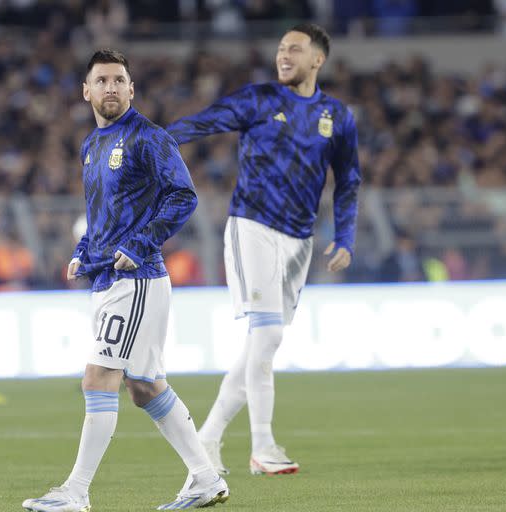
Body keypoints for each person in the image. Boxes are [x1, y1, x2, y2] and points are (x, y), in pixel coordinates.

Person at [22, 49, 229, 512]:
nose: (110, 88)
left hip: (137, 280)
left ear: (131, 89)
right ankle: (204, 477)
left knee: (98, 379)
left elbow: (183, 196)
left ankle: (76, 491)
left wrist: (138, 245)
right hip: (108, 280)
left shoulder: (148, 138)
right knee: (145, 386)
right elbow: (101, 216)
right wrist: (83, 251)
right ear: (86, 90)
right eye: (102, 80)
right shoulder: (91, 145)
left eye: (119, 80)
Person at [166, 23, 361, 476]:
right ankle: (263, 446)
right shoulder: (259, 99)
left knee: (262, 344)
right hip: (252, 226)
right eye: (280, 49)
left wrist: (346, 236)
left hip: (300, 240)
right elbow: (200, 123)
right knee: (267, 336)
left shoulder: (338, 116)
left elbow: (349, 180)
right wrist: (151, 139)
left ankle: (207, 440)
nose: (284, 56)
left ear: (318, 60)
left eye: (295, 49)